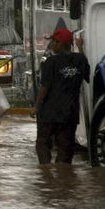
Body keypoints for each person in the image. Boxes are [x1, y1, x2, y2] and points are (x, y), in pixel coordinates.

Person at [33, 28, 89, 164]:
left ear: (59, 43)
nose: (51, 44)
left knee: (43, 143)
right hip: (69, 114)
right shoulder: (80, 59)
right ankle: (63, 179)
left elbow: (44, 87)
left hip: (49, 113)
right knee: (65, 150)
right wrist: (80, 47)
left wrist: (36, 107)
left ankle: (47, 175)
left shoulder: (51, 62)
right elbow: (87, 75)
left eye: (53, 41)